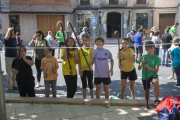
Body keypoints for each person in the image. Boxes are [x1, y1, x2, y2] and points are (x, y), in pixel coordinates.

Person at [138, 41, 161, 106]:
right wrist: (142, 62)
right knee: (147, 93)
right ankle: (147, 103)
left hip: (153, 74)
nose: (150, 50)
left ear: (154, 48)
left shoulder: (156, 58)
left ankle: (156, 100)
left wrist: (148, 67)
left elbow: (156, 70)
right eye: (148, 49)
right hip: (145, 76)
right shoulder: (143, 57)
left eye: (151, 48)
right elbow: (139, 68)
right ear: (146, 49)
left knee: (156, 81)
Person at [4, 27, 18, 93]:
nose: (12, 34)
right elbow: (6, 38)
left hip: (15, 56)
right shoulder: (6, 39)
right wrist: (8, 32)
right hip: (8, 57)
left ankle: (14, 85)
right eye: (10, 33)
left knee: (14, 72)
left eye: (13, 33)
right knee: (9, 73)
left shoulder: (15, 38)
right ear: (8, 33)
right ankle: (9, 88)